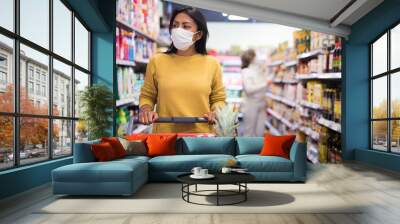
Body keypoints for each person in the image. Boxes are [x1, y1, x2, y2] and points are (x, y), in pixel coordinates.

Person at [139, 7, 226, 133]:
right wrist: (146, 110)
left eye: (185, 26)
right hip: (164, 137)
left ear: (199, 34)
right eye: (175, 25)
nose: (178, 30)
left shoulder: (212, 64)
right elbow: (147, 95)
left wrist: (216, 112)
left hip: (202, 136)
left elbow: (218, 99)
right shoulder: (157, 61)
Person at [240, 49, 268, 136]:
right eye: (256, 56)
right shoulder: (246, 71)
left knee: (260, 132)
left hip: (261, 103)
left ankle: (258, 149)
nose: (258, 58)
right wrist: (265, 84)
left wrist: (274, 73)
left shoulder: (258, 70)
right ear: (251, 58)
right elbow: (248, 89)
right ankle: (247, 149)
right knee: (249, 132)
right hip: (251, 104)